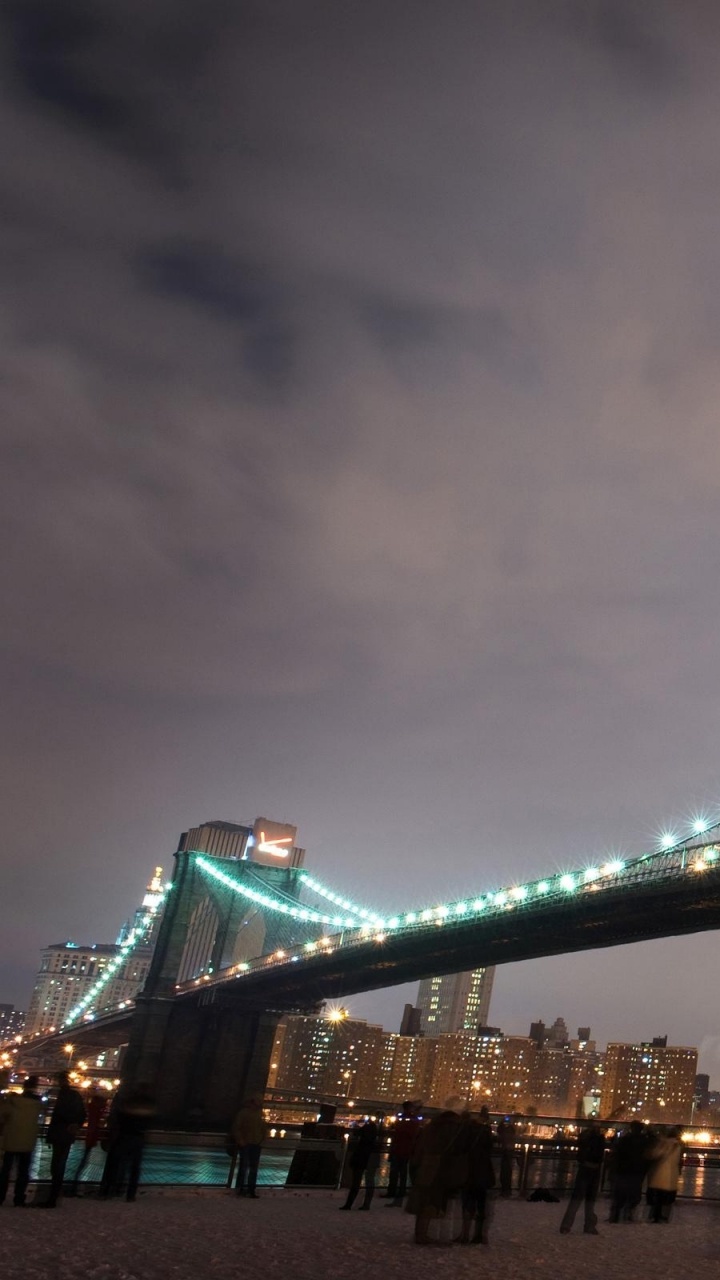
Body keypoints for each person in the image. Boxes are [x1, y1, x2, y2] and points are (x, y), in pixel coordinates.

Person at [406, 1097, 469, 1245]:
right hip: (441, 1169)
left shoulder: (430, 1127)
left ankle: (420, 1233)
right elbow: (458, 1150)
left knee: (424, 1200)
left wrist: (416, 1164)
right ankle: (426, 1235)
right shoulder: (453, 1130)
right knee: (433, 1201)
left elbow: (418, 1148)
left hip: (426, 1167)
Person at [101, 1083, 156, 1202]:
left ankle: (109, 1190)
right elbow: (150, 1121)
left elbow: (119, 1117)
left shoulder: (128, 1103)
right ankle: (129, 1194)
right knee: (134, 1168)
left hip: (125, 1135)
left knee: (116, 1164)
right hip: (137, 1137)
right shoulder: (148, 1104)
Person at [45, 1070, 86, 1207]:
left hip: (59, 1132)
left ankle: (53, 1196)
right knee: (60, 1163)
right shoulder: (75, 1096)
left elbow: (58, 1115)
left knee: (56, 1164)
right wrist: (75, 1125)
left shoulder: (60, 1096)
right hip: (67, 1134)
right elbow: (82, 1114)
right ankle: (56, 1195)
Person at [0, 1076, 43, 1207]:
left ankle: (1, 1196)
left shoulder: (13, 1102)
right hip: (27, 1141)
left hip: (11, 1139)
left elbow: (2, 1116)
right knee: (23, 1171)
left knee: (5, 1171)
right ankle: (19, 1198)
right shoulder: (37, 1104)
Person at [559, 1122, 606, 1235]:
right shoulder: (599, 1139)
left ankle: (566, 1225)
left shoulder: (585, 1138)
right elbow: (599, 1156)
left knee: (577, 1199)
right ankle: (588, 1226)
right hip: (594, 1170)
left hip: (584, 1169)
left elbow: (581, 1154)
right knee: (590, 1201)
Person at [458, 1108, 495, 1245]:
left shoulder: (466, 1131)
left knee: (467, 1203)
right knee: (481, 1204)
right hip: (483, 1171)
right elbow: (489, 1149)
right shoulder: (485, 1132)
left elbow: (461, 1148)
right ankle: (479, 1235)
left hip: (468, 1170)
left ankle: (465, 1234)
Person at [609, 1121, 649, 1222]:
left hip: (624, 1170)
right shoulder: (644, 1141)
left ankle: (616, 1216)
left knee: (620, 1194)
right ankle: (629, 1213)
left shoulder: (624, 1140)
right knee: (634, 1193)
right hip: (637, 1171)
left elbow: (617, 1154)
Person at [384, 1101, 421, 1207]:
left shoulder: (402, 1118)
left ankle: (393, 1192)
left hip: (398, 1149)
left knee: (395, 1173)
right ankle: (400, 1192)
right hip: (405, 1150)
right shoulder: (413, 1119)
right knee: (402, 1173)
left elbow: (398, 1131)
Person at [231, 1096, 268, 1198]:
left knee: (248, 1168)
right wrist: (241, 1140)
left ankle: (246, 1189)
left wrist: (262, 1140)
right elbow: (236, 1128)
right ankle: (245, 1189)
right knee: (248, 1167)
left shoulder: (255, 1114)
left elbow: (264, 1129)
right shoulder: (246, 1113)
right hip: (248, 1144)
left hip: (252, 1144)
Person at [72, 1088, 108, 1190]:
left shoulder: (92, 1109)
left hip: (91, 1137)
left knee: (84, 1160)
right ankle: (76, 1183)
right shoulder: (96, 1111)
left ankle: (75, 1182)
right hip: (92, 1137)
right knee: (84, 1160)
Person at [339, 1118, 380, 1210]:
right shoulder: (373, 1143)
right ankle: (366, 1204)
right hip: (369, 1158)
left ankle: (349, 1204)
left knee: (356, 1182)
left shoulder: (362, 1141)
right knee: (369, 1181)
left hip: (360, 1159)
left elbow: (356, 1134)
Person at [646, 1128, 683, 1223]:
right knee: (667, 1198)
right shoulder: (678, 1145)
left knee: (658, 1197)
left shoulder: (664, 1144)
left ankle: (655, 1216)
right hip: (672, 1175)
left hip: (660, 1173)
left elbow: (655, 1154)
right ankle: (665, 1216)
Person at [497, 1116, 517, 1197]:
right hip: (509, 1151)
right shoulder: (511, 1130)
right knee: (508, 1171)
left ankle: (504, 1189)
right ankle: (507, 1189)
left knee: (504, 1171)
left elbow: (499, 1132)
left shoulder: (502, 1130)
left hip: (505, 1150)